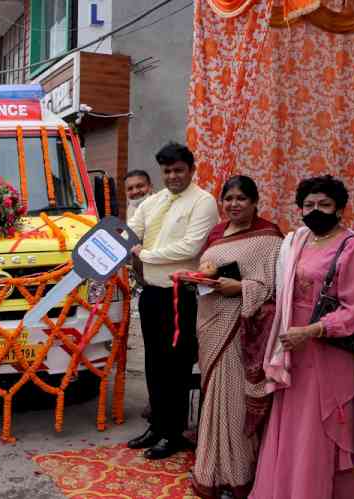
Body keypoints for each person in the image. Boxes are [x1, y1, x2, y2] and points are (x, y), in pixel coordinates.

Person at [250, 176, 354, 499]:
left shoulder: (353, 247)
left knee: (315, 428)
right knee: (291, 424)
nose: (316, 211)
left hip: (326, 347)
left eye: (324, 205)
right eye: (309, 205)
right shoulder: (298, 241)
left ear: (340, 209)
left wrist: (312, 331)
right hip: (292, 346)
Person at [190, 176, 282, 498]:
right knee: (212, 400)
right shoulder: (216, 237)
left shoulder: (270, 238)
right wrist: (203, 277)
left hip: (241, 330)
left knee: (234, 405)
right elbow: (203, 283)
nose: (234, 204)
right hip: (211, 326)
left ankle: (237, 476)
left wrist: (241, 288)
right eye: (228, 199)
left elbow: (274, 289)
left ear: (255, 202)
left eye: (241, 198)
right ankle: (211, 470)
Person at [126, 142, 219, 460]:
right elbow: (131, 231)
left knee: (176, 365)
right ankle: (157, 425)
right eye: (167, 171)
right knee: (153, 363)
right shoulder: (152, 203)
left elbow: (191, 248)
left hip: (181, 297)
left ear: (191, 170)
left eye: (179, 170)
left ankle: (174, 433)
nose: (173, 176)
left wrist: (146, 255)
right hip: (151, 293)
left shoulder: (203, 202)